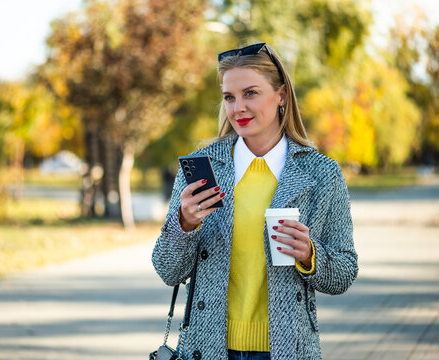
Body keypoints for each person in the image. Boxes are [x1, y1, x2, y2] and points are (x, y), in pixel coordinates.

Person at [151, 43, 358, 360]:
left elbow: (344, 272)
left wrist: (309, 254)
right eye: (229, 97)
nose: (237, 109)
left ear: (281, 96)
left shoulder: (322, 174)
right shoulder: (202, 169)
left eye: (250, 93)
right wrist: (185, 224)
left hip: (289, 351)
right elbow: (167, 271)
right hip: (208, 349)